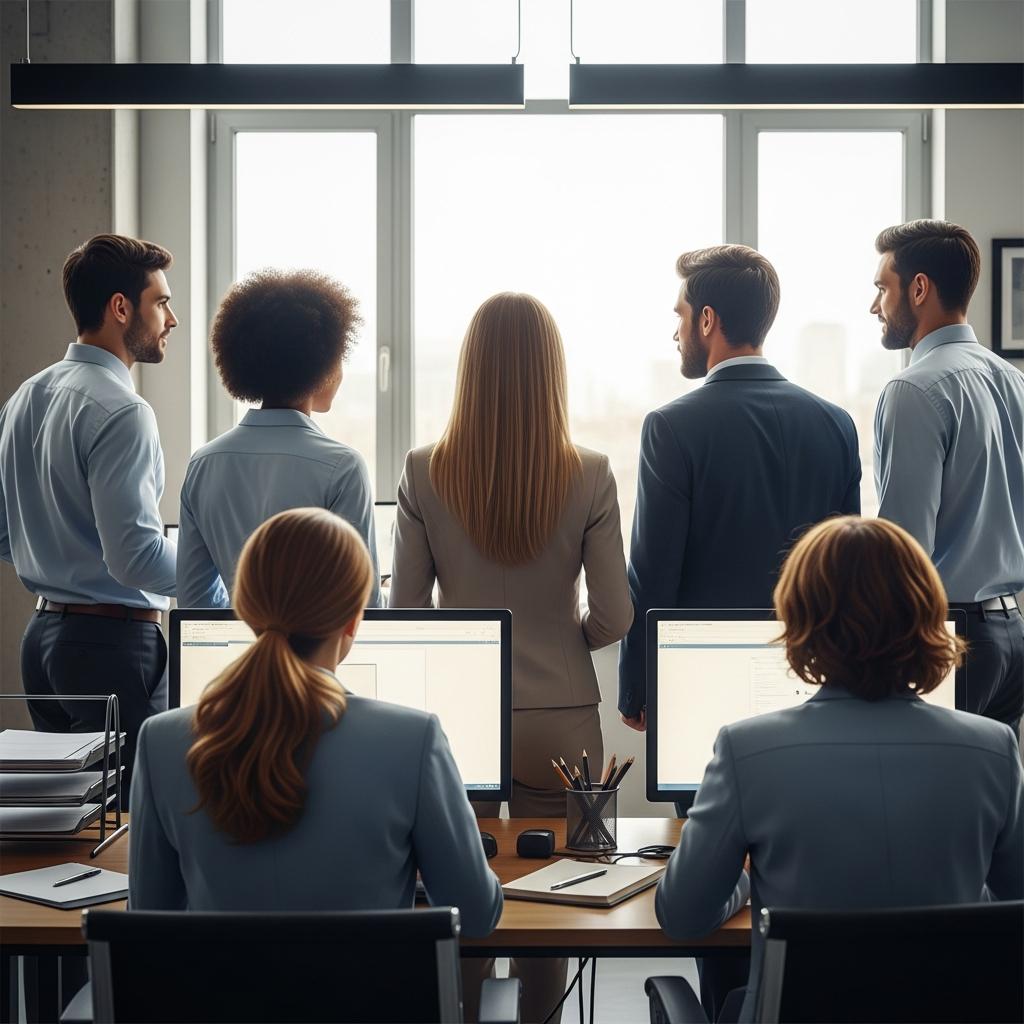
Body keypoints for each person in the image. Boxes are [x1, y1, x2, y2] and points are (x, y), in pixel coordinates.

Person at [617, 245, 861, 1019]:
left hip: (703, 702)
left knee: (709, 886)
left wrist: (637, 690)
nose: (678, 332)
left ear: (710, 321)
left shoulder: (673, 425)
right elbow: (846, 562)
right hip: (820, 684)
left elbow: (650, 577)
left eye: (682, 316)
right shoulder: (834, 423)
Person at [655, 516, 1023, 1024]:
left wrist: (745, 880)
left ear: (799, 619)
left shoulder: (746, 750)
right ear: (926, 613)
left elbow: (682, 916)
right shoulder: (995, 750)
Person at [389, 292, 633, 1023]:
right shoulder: (589, 471)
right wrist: (565, 640)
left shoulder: (424, 469)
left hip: (456, 721)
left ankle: (461, 1012)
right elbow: (616, 615)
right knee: (554, 890)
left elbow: (405, 615)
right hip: (562, 722)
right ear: (550, 373)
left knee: (462, 885)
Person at [130, 507, 503, 939]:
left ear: (247, 609)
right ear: (352, 620)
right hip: (369, 1008)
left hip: (221, 1007)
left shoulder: (160, 743)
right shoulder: (414, 741)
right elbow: (476, 917)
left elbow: (148, 929)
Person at [0, 234, 179, 787]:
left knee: (65, 813)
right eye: (161, 302)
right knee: (131, 813)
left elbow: (5, 535)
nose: (171, 319)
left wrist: (58, 554)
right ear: (120, 308)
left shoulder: (24, 397)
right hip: (110, 646)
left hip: (43, 641)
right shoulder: (123, 410)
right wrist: (219, 569)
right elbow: (136, 559)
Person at [871, 219, 1024, 738]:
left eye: (882, 289)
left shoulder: (913, 389)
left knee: (924, 808)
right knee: (993, 807)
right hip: (1012, 635)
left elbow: (903, 549)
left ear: (919, 288)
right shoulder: (1014, 381)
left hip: (949, 639)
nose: (875, 306)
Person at [176, 268, 380, 609]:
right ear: (321, 364)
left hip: (235, 658)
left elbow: (195, 603)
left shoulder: (203, 463)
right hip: (314, 662)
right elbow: (363, 607)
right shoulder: (342, 467)